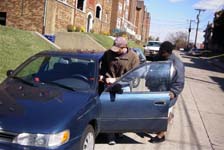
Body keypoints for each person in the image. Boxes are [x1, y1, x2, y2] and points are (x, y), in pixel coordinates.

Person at [99, 36, 140, 145]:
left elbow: (134, 75)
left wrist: (116, 80)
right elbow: (103, 67)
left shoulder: (134, 57)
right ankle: (110, 135)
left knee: (122, 111)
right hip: (108, 85)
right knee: (109, 110)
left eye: (118, 49)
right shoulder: (108, 53)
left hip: (124, 87)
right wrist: (102, 76)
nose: (114, 52)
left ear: (124, 47)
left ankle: (120, 130)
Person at [149, 41, 185, 143]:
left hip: (168, 93)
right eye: (160, 50)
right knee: (157, 112)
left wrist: (173, 92)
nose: (160, 53)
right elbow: (151, 71)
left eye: (162, 52)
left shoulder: (177, 63)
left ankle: (161, 135)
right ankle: (166, 119)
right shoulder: (157, 58)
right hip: (156, 90)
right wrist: (149, 82)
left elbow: (180, 81)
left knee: (165, 114)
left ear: (169, 52)